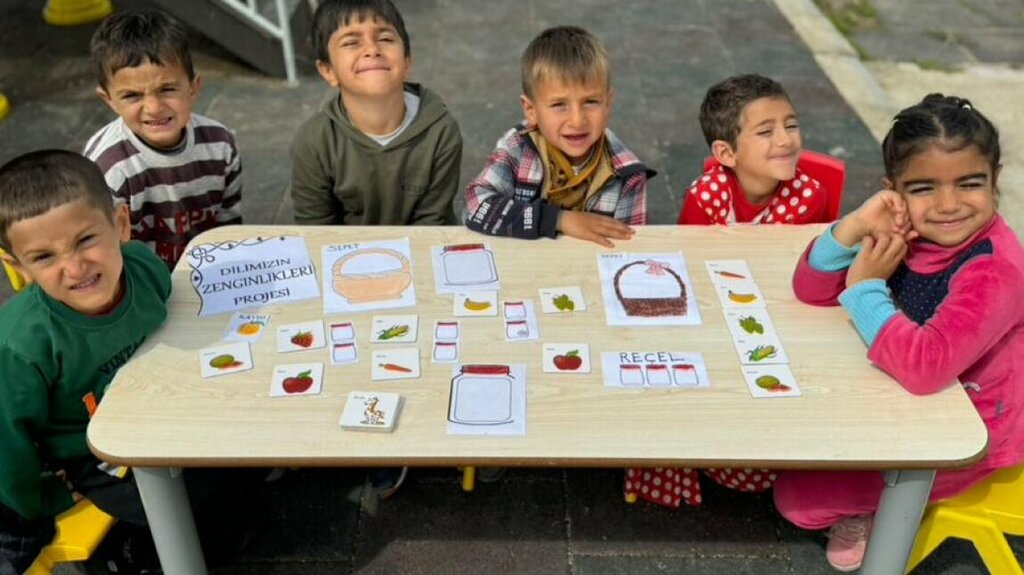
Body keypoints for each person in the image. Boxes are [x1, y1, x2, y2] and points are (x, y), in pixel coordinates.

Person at [774, 94, 1024, 572]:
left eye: (970, 183)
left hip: (968, 439)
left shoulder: (995, 270)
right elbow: (810, 290)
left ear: (995, 181)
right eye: (925, 188)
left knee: (796, 498)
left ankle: (870, 515)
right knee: (785, 442)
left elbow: (925, 368)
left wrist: (866, 287)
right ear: (894, 191)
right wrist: (854, 227)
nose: (949, 205)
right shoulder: (906, 230)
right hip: (902, 407)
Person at [0, 150, 172, 574]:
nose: (75, 267)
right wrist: (39, 501)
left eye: (85, 240)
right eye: (44, 257)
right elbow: (7, 441)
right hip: (85, 452)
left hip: (156, 411)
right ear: (16, 265)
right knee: (173, 510)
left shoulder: (146, 271)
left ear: (121, 224)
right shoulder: (22, 344)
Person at [463, 25, 653, 247]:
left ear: (608, 103)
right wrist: (558, 219)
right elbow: (474, 206)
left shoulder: (627, 175)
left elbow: (630, 247)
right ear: (530, 110)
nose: (577, 120)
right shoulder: (518, 147)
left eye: (591, 102)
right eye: (559, 105)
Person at [84, 9, 242, 270]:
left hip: (210, 271)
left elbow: (228, 226)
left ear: (193, 88)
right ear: (108, 100)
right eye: (132, 96)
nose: (154, 107)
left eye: (167, 89)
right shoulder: (106, 167)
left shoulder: (220, 145)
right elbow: (106, 252)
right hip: (137, 282)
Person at [291, 0, 463, 227]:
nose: (372, 50)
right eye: (352, 42)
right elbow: (315, 230)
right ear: (328, 71)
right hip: (344, 257)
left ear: (406, 61)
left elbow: (432, 222)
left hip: (423, 252)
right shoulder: (313, 142)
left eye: (385, 39)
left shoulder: (441, 131)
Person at [677, 74, 827, 225]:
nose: (786, 140)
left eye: (791, 126)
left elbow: (803, 249)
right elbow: (688, 248)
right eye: (765, 131)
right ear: (726, 153)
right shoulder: (703, 198)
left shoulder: (808, 198)